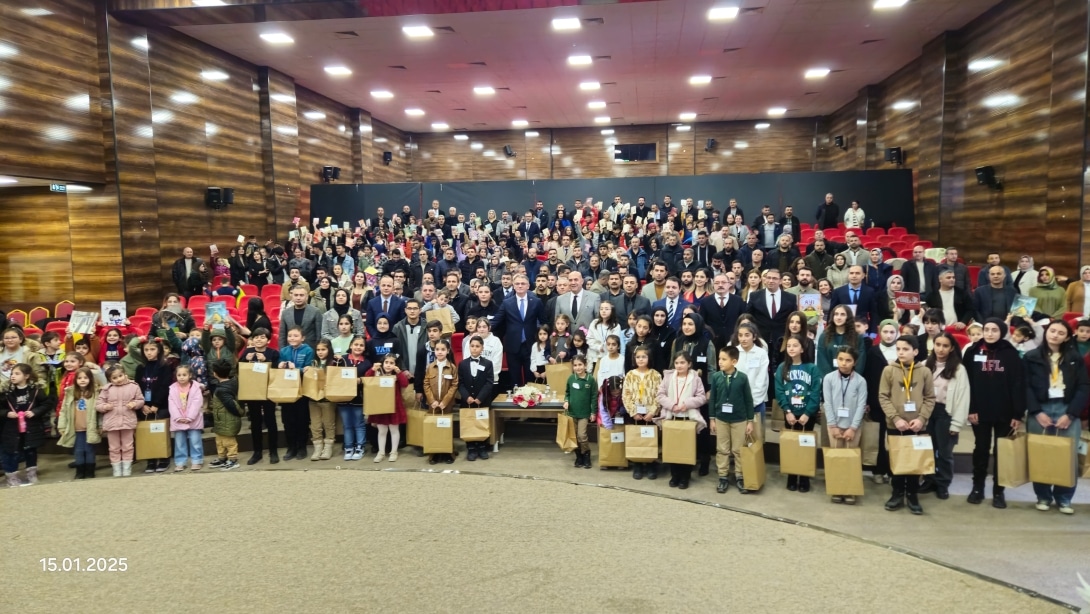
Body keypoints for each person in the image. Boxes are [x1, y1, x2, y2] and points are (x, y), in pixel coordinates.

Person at [1023, 320, 1089, 515]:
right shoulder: (1031, 357)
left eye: (1061, 333)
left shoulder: (1075, 358)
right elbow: (1025, 386)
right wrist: (1036, 412)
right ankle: (1043, 496)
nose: (1055, 335)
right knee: (1040, 453)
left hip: (1066, 407)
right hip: (1040, 408)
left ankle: (1064, 498)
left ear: (1067, 337)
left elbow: (1084, 387)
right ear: (1046, 333)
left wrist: (1071, 414)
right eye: (1052, 331)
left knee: (1067, 456)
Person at [964, 318, 1025, 508]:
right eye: (987, 329)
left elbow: (1018, 384)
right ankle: (977, 488)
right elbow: (967, 383)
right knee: (981, 449)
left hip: (1004, 412)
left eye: (994, 330)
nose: (990, 333)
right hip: (979, 411)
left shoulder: (1010, 353)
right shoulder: (973, 351)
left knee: (1001, 452)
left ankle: (999, 491)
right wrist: (971, 408)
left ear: (1002, 332)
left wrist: (1017, 413)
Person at [878, 335, 936, 515]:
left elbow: (930, 398)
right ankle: (896, 493)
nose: (901, 352)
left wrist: (921, 419)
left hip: (917, 425)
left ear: (916, 351)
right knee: (897, 458)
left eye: (905, 349)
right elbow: (883, 396)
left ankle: (912, 494)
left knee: (914, 460)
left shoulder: (925, 372)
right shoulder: (889, 370)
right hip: (896, 424)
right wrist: (896, 418)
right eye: (899, 349)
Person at [919, 333, 970, 500]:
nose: (940, 349)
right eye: (938, 344)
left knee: (945, 452)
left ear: (952, 348)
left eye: (945, 346)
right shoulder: (925, 364)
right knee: (927, 449)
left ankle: (943, 483)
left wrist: (956, 424)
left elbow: (963, 397)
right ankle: (929, 479)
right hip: (927, 411)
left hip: (945, 413)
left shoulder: (958, 369)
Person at [654, 352, 708, 489]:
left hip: (688, 419)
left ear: (689, 364)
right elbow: (660, 395)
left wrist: (686, 404)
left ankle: (685, 476)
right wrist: (672, 405)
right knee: (672, 447)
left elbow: (702, 397)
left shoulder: (695, 378)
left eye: (682, 363)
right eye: (677, 363)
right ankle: (675, 475)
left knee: (687, 448)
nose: (679, 365)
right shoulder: (668, 377)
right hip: (671, 417)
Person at [775, 335, 821, 492]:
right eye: (789, 346)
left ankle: (805, 477)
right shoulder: (782, 368)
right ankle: (792, 476)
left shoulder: (812, 369)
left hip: (807, 415)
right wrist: (787, 411)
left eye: (795, 345)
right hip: (790, 414)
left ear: (802, 348)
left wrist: (808, 413)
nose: (791, 348)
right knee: (792, 445)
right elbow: (779, 390)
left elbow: (815, 392)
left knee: (805, 445)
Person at [822, 345, 867, 504]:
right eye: (840, 359)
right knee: (837, 458)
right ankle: (837, 488)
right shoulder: (829, 378)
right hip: (834, 425)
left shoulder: (861, 381)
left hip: (852, 427)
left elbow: (861, 406)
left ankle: (850, 490)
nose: (844, 363)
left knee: (850, 459)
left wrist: (853, 428)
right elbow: (827, 403)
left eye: (848, 360)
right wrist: (833, 425)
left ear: (854, 362)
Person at [709, 346, 755, 495]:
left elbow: (748, 400)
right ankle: (723, 476)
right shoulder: (716, 377)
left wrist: (750, 420)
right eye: (719, 359)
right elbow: (713, 399)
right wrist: (712, 419)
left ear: (734, 361)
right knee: (722, 449)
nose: (720, 362)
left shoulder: (742, 378)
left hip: (739, 420)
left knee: (738, 449)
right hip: (721, 419)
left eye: (724, 359)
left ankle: (740, 475)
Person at [1, 363, 53, 486]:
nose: (13, 376)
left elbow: (46, 404)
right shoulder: (6, 392)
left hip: (31, 427)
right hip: (12, 429)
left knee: (30, 450)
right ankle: (12, 476)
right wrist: (7, 413)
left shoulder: (35, 390)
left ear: (27, 376)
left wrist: (35, 412)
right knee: (12, 452)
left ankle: (31, 474)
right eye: (12, 373)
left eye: (17, 374)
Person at [622, 345, 663, 479]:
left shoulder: (656, 375)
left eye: (643, 357)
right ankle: (638, 464)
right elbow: (626, 395)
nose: (640, 359)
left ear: (649, 358)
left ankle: (651, 464)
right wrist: (633, 411)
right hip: (635, 416)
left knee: (650, 438)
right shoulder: (630, 375)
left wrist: (652, 411)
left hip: (650, 415)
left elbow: (659, 394)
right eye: (638, 357)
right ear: (634, 359)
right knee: (637, 439)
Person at [241, 329, 280, 465]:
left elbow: (277, 371)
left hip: (268, 392)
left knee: (271, 422)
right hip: (252, 392)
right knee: (255, 423)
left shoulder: (273, 353)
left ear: (268, 340)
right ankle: (257, 452)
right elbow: (238, 368)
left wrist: (267, 360)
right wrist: (246, 360)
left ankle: (273, 451)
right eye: (256, 337)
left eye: (262, 337)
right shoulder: (247, 352)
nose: (259, 339)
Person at [96, 365, 144, 478]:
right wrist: (105, 406)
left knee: (128, 446)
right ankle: (116, 469)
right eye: (115, 378)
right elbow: (98, 404)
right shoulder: (106, 389)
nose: (119, 379)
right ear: (110, 380)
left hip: (127, 421)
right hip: (112, 422)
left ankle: (127, 468)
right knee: (114, 447)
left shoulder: (134, 386)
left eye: (120, 376)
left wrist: (135, 404)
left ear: (125, 374)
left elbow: (140, 400)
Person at [134, 339, 174, 473]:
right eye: (146, 350)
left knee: (160, 432)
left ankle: (164, 458)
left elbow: (165, 386)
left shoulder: (165, 366)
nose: (149, 353)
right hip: (145, 406)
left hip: (161, 406)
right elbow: (138, 387)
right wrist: (143, 404)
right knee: (147, 433)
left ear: (159, 350)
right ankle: (151, 460)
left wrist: (156, 403)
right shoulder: (141, 367)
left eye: (152, 349)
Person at [278, 326, 316, 461]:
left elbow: (308, 369)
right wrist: (280, 366)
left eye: (295, 336)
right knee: (288, 421)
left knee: (302, 420)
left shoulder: (308, 350)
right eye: (290, 336)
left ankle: (302, 447)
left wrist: (296, 369)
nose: (292, 338)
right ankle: (291, 447)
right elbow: (278, 369)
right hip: (286, 390)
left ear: (303, 338)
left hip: (302, 390)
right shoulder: (283, 351)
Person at [367, 353, 411, 463]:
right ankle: (381, 452)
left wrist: (399, 372)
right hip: (381, 406)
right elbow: (367, 379)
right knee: (381, 431)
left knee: (394, 430)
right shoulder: (377, 374)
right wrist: (372, 369)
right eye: (386, 362)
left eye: (391, 363)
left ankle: (394, 452)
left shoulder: (396, 375)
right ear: (382, 363)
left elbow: (405, 384)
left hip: (394, 406)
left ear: (396, 365)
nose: (388, 365)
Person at [57, 366, 101, 479]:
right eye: (79, 378)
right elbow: (63, 411)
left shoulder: (96, 393)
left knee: (89, 450)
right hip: (76, 428)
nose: (82, 380)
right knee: (79, 450)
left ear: (90, 379)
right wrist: (61, 426)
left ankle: (90, 471)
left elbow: (101, 412)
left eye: (85, 378)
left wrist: (100, 425)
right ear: (75, 380)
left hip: (90, 427)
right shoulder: (70, 393)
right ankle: (80, 471)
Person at [457, 336, 495, 462]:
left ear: (482, 348)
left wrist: (479, 398)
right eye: (472, 346)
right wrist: (466, 396)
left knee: (481, 422)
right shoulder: (462, 364)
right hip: (467, 401)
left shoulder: (488, 364)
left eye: (477, 346)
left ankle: (482, 446)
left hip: (482, 401)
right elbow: (460, 383)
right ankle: (471, 448)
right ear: (469, 347)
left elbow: (489, 383)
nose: (474, 348)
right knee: (469, 423)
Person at [423, 338, 458, 465]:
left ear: (448, 351)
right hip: (433, 404)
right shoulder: (430, 367)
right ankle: (434, 453)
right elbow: (426, 384)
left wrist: (445, 401)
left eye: (443, 349)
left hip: (446, 404)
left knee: (446, 427)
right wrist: (432, 400)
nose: (440, 352)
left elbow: (454, 385)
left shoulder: (452, 367)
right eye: (437, 349)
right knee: (434, 427)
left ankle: (448, 452)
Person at [167, 365, 205, 472]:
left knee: (195, 440)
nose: (181, 377)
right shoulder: (172, 388)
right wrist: (178, 417)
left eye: (184, 375)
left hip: (193, 419)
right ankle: (180, 462)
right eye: (179, 375)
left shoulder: (195, 387)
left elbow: (197, 403)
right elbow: (172, 404)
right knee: (179, 442)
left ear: (190, 375)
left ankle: (197, 460)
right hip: (178, 420)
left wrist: (190, 417)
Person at [206, 360, 242, 471]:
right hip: (221, 420)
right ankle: (222, 457)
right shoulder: (232, 382)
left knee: (229, 442)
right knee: (220, 440)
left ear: (215, 373)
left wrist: (239, 412)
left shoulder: (222, 389)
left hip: (228, 420)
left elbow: (232, 405)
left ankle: (232, 459)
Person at [816, 304, 867, 379]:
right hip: (830, 381)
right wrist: (831, 379)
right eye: (836, 314)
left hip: (851, 380)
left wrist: (851, 378)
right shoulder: (824, 337)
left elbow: (860, 361)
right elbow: (822, 361)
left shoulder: (857, 337)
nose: (838, 317)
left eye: (842, 314)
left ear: (848, 317)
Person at [339, 336, 369, 461]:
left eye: (361, 345)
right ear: (351, 345)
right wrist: (334, 362)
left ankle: (360, 447)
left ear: (364, 348)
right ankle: (349, 447)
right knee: (347, 424)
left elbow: (370, 379)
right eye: (356, 344)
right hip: (343, 397)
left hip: (359, 398)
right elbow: (334, 375)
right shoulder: (342, 360)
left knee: (359, 424)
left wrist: (361, 380)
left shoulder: (367, 362)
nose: (358, 347)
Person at [829, 264, 880, 333]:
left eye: (857, 273)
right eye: (851, 273)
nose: (854, 276)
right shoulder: (838, 292)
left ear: (863, 275)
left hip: (862, 330)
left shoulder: (870, 291)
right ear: (848, 275)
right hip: (843, 329)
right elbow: (832, 312)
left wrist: (873, 333)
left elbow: (873, 313)